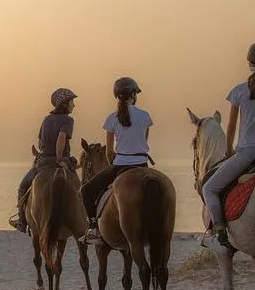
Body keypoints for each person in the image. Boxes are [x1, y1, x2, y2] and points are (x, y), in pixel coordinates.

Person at [201, 40, 255, 250]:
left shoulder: (239, 91)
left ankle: (219, 229)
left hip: (248, 152)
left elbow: (230, 127)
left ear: (249, 62)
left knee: (209, 188)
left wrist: (229, 149)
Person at [79, 77, 153, 245]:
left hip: (120, 166)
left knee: (86, 191)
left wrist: (113, 161)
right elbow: (145, 142)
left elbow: (110, 151)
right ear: (133, 94)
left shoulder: (112, 118)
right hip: (142, 164)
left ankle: (93, 229)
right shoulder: (145, 116)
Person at [8, 88, 78, 233]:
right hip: (60, 160)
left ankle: (22, 221)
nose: (74, 105)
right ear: (65, 104)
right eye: (72, 102)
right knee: (81, 188)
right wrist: (60, 159)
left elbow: (40, 142)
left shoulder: (46, 120)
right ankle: (85, 221)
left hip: (43, 162)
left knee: (23, 186)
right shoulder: (68, 120)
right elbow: (61, 138)